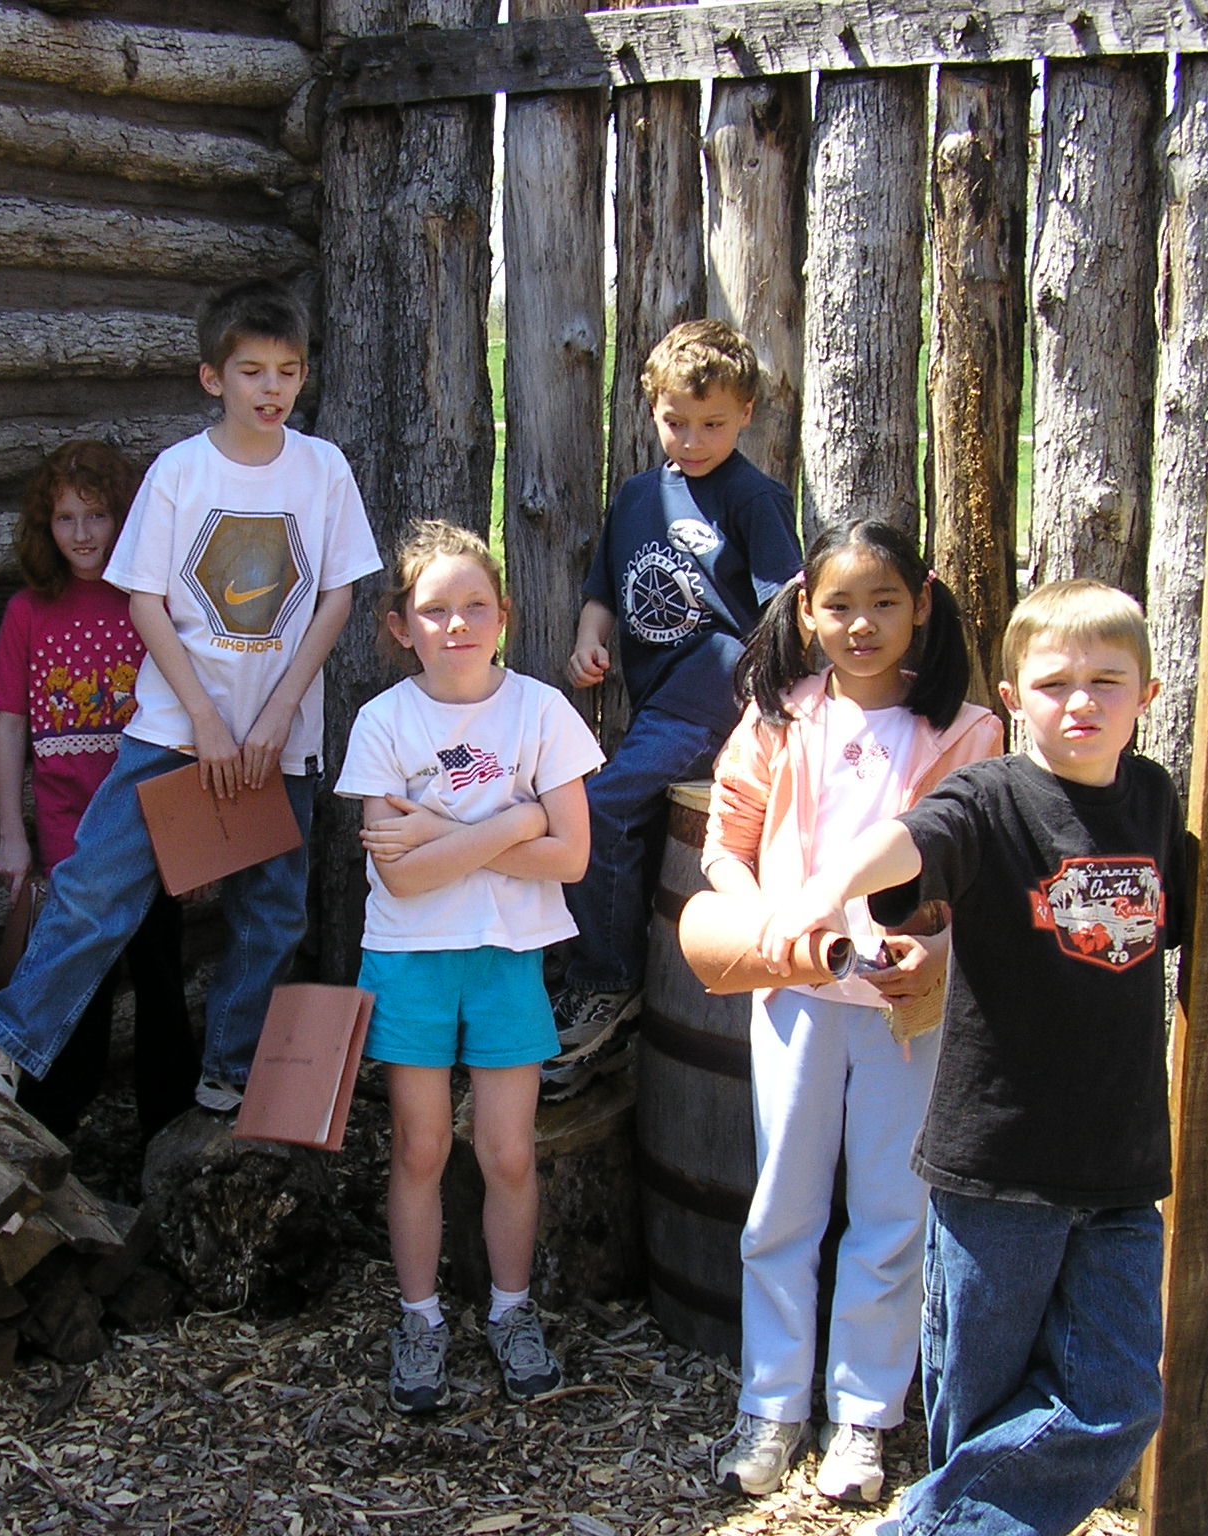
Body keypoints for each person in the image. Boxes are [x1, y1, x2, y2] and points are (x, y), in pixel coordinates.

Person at [751, 578, 1189, 1536]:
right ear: (1013, 695)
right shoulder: (993, 798)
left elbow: (1190, 914)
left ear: (1148, 695)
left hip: (1120, 1170)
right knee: (979, 1412)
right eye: (1055, 682)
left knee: (1120, 1400)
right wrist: (827, 884)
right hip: (997, 1167)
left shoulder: (1151, 803)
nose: (1081, 701)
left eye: (1107, 681)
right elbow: (911, 842)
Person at [0, 280, 382, 1112]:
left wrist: (276, 713)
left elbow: (337, 596)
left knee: (270, 913)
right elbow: (145, 600)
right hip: (173, 728)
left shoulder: (323, 470)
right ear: (213, 379)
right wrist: (202, 716)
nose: (271, 388)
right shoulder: (180, 472)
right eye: (251, 371)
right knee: (96, 886)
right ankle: (7, 1037)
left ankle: (228, 1072)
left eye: (287, 371)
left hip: (280, 739)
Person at [704, 520, 1003, 1507]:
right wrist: (757, 924)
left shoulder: (963, 733)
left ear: (921, 603)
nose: (859, 624)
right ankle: (770, 1405)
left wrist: (937, 950)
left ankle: (863, 1419)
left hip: (899, 1008)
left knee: (887, 1209)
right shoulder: (778, 720)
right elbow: (725, 844)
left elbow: (977, 877)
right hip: (792, 995)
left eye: (881, 602)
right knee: (779, 1206)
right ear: (804, 611)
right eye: (837, 605)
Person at [336, 521, 601, 1414]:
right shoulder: (384, 722)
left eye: (473, 607)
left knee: (510, 1153)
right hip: (411, 959)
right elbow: (401, 876)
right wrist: (517, 821)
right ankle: (419, 1320)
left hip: (506, 956)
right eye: (434, 610)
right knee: (418, 1146)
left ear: (504, 618)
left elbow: (571, 859)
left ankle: (511, 1310)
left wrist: (455, 833)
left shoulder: (540, 712)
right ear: (401, 625)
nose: (456, 624)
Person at [551, 318, 803, 1095]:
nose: (692, 439)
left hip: (714, 694)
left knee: (598, 806)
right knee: (603, 804)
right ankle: (598, 968)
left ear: (748, 415)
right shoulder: (635, 497)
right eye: (676, 421)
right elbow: (603, 590)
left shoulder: (753, 498)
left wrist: (771, 715)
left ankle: (608, 980)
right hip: (659, 701)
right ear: (650, 410)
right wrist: (591, 641)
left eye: (713, 424)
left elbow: (784, 613)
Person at [0, 440, 197, 1142]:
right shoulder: (29, 613)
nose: (81, 534)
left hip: (149, 827)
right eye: (66, 518)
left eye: (96, 516)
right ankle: (51, 1134)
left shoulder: (147, 606)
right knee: (79, 986)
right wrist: (13, 833)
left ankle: (169, 1135)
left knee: (160, 975)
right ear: (46, 526)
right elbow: (10, 727)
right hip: (70, 831)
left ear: (122, 519)